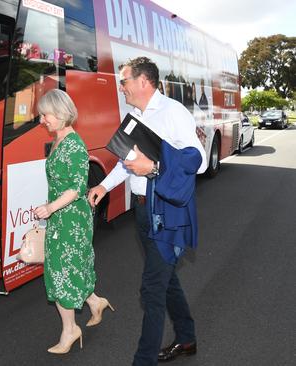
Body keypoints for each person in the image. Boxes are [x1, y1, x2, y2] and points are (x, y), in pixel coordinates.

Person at [87, 57, 207, 365]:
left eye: (124, 80)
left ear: (143, 81)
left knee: (152, 289)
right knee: (166, 281)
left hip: (166, 214)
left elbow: (200, 160)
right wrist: (104, 186)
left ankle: (144, 360)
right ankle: (187, 337)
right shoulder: (132, 115)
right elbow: (127, 164)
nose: (121, 86)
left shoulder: (173, 112)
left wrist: (154, 165)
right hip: (142, 212)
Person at [33, 89, 114, 355]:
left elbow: (78, 187)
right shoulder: (58, 139)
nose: (41, 119)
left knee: (61, 272)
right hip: (60, 217)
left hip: (71, 219)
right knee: (67, 268)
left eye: (45, 114)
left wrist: (50, 207)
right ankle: (95, 302)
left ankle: (70, 331)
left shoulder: (74, 145)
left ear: (60, 113)